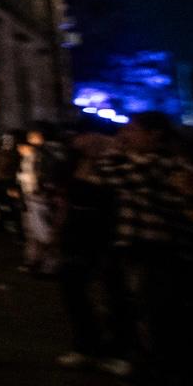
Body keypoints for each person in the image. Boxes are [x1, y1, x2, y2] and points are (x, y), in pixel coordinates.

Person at [87, 112, 193, 386]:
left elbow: (104, 174)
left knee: (161, 315)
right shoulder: (155, 164)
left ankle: (170, 378)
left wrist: (111, 150)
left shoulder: (161, 164)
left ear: (154, 135)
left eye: (132, 131)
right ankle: (154, 369)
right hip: (141, 246)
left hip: (160, 248)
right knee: (147, 311)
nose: (126, 136)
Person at [53, 128, 122, 370]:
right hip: (76, 233)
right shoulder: (73, 163)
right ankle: (85, 346)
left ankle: (117, 352)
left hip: (109, 235)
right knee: (74, 291)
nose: (80, 141)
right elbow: (65, 197)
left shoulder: (117, 164)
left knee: (115, 295)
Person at [18, 124, 64, 275]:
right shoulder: (45, 152)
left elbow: (45, 174)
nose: (30, 140)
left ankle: (49, 265)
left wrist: (43, 188)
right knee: (40, 232)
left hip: (42, 196)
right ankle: (40, 262)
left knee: (45, 232)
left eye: (32, 137)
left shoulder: (45, 152)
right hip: (39, 195)